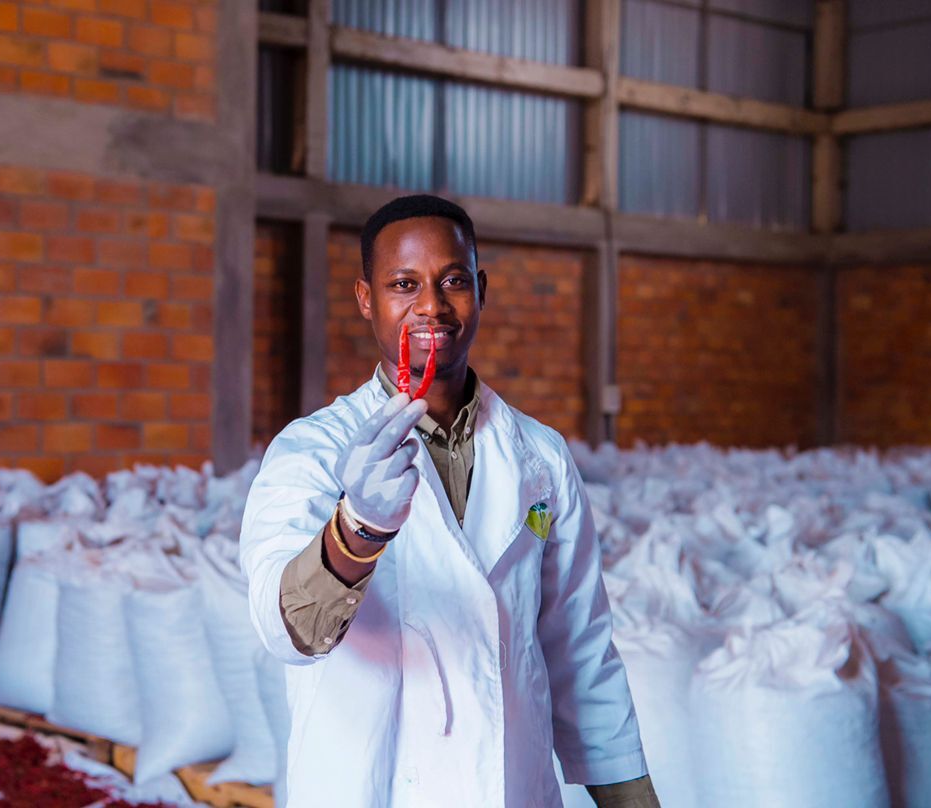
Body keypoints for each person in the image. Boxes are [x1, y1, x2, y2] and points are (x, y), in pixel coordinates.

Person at [240, 195, 658, 808]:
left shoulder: (539, 456)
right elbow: (286, 631)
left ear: (480, 291)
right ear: (366, 299)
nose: (431, 305)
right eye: (403, 283)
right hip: (375, 789)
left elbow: (580, 652)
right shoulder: (311, 451)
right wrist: (355, 533)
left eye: (453, 281)